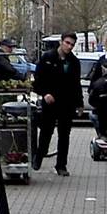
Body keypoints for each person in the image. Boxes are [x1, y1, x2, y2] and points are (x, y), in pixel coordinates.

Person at [30, 34, 82, 174]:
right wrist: (45, 93)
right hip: (50, 102)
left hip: (67, 103)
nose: (69, 46)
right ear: (61, 42)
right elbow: (38, 80)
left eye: (72, 44)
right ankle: (39, 157)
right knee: (46, 132)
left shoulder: (74, 62)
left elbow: (76, 84)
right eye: (67, 43)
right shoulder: (47, 58)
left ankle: (61, 165)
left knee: (64, 135)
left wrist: (79, 104)